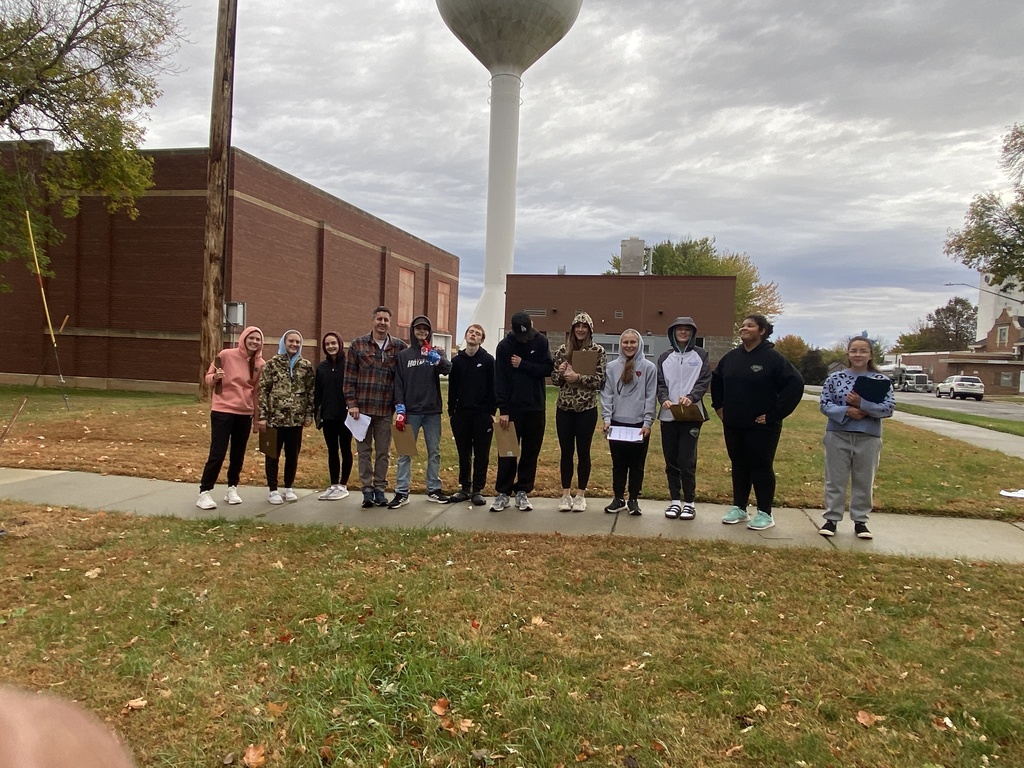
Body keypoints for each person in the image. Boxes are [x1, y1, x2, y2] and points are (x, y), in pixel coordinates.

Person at [710, 314, 804, 530]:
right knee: (739, 465)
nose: (744, 328)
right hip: (734, 423)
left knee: (761, 467)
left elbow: (795, 384)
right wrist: (719, 406)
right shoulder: (731, 357)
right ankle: (739, 508)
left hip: (762, 426)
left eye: (750, 326)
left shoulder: (773, 359)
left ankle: (765, 513)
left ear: (762, 331)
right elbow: (717, 379)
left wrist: (775, 414)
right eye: (742, 325)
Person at [818, 336, 894, 539]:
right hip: (838, 435)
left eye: (863, 351)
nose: (858, 355)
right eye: (854, 351)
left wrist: (863, 405)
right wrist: (846, 411)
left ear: (870, 355)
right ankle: (831, 519)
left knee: (864, 480)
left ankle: (861, 521)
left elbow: (888, 408)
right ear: (848, 354)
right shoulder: (834, 379)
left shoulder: (881, 381)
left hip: (868, 436)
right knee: (835, 480)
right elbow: (825, 404)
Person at [344, 306, 408, 509]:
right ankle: (367, 490)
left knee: (383, 452)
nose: (382, 322)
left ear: (390, 323)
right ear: (372, 320)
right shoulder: (358, 345)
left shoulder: (399, 347)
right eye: (379, 319)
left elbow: (406, 375)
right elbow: (349, 378)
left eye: (386, 320)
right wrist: (352, 404)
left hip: (385, 410)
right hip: (361, 411)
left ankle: (380, 489)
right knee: (364, 452)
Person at [196, 326, 265, 510]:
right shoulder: (226, 355)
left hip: (245, 413)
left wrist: (257, 419)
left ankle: (232, 488)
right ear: (244, 338)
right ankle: (205, 492)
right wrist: (216, 378)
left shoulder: (260, 364)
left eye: (258, 339)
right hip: (223, 410)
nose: (254, 342)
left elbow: (257, 393)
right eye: (251, 338)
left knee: (238, 454)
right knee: (218, 452)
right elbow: (208, 377)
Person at [491, 311, 554, 512]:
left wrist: (523, 365)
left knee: (530, 452)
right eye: (521, 335)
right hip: (512, 409)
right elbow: (500, 379)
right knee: (508, 452)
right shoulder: (504, 347)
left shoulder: (540, 341)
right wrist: (504, 410)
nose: (524, 339)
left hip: (535, 407)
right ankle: (503, 492)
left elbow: (547, 369)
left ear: (532, 325)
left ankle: (522, 491)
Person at [390, 315, 452, 507]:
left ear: (429, 332)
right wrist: (399, 406)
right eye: (418, 329)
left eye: (425, 329)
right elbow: (398, 383)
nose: (421, 332)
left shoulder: (436, 352)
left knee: (434, 451)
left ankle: (433, 489)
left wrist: (437, 360)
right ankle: (402, 492)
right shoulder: (403, 355)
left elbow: (448, 369)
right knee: (404, 452)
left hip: (432, 411)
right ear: (413, 330)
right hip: (410, 412)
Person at [656, 316, 711, 520]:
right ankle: (674, 501)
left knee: (687, 459)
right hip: (668, 415)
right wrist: (663, 399)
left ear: (692, 333)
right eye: (679, 329)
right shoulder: (664, 357)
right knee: (671, 459)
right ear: (673, 332)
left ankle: (689, 502)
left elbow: (704, 379)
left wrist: (691, 397)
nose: (683, 333)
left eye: (687, 330)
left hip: (691, 415)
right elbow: (661, 383)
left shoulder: (700, 355)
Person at [550, 311, 606, 512]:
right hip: (564, 408)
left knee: (583, 452)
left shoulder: (597, 351)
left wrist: (578, 377)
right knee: (566, 452)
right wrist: (561, 372)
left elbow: (600, 381)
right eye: (577, 326)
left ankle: (581, 494)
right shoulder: (563, 351)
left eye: (585, 327)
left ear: (590, 330)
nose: (581, 330)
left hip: (586, 409)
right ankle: (565, 494)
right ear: (573, 329)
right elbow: (554, 380)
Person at [601, 328, 658, 516]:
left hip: (638, 424)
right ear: (620, 344)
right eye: (625, 342)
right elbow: (607, 393)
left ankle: (633, 499)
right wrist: (607, 419)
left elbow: (651, 396)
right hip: (617, 423)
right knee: (618, 463)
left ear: (639, 344)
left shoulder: (649, 368)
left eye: (633, 342)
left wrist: (647, 422)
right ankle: (618, 498)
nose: (629, 346)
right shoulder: (611, 367)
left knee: (636, 464)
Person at [257, 330, 315, 504]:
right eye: (291, 341)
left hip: (295, 421)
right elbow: (263, 391)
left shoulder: (305, 365)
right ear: (284, 342)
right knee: (271, 455)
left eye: (298, 342)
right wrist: (262, 416)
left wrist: (308, 414)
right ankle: (273, 490)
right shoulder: (271, 364)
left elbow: (311, 392)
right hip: (274, 420)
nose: (294, 344)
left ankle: (288, 487)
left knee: (292, 455)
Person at [447, 323, 496, 506]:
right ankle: (465, 488)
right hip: (461, 415)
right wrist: (452, 411)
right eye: (470, 332)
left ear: (481, 340)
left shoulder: (489, 361)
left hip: (482, 415)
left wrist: (492, 413)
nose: (473, 335)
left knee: (481, 453)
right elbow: (452, 389)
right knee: (464, 453)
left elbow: (494, 389)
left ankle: (477, 490)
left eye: (477, 334)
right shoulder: (456, 362)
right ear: (465, 336)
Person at [314, 332, 353, 501]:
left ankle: (343, 485)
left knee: (345, 449)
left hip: (346, 416)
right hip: (328, 417)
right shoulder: (321, 368)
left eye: (334, 343)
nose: (331, 346)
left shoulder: (348, 365)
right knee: (332, 451)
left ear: (340, 344)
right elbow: (318, 394)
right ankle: (333, 484)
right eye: (328, 344)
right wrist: (317, 414)